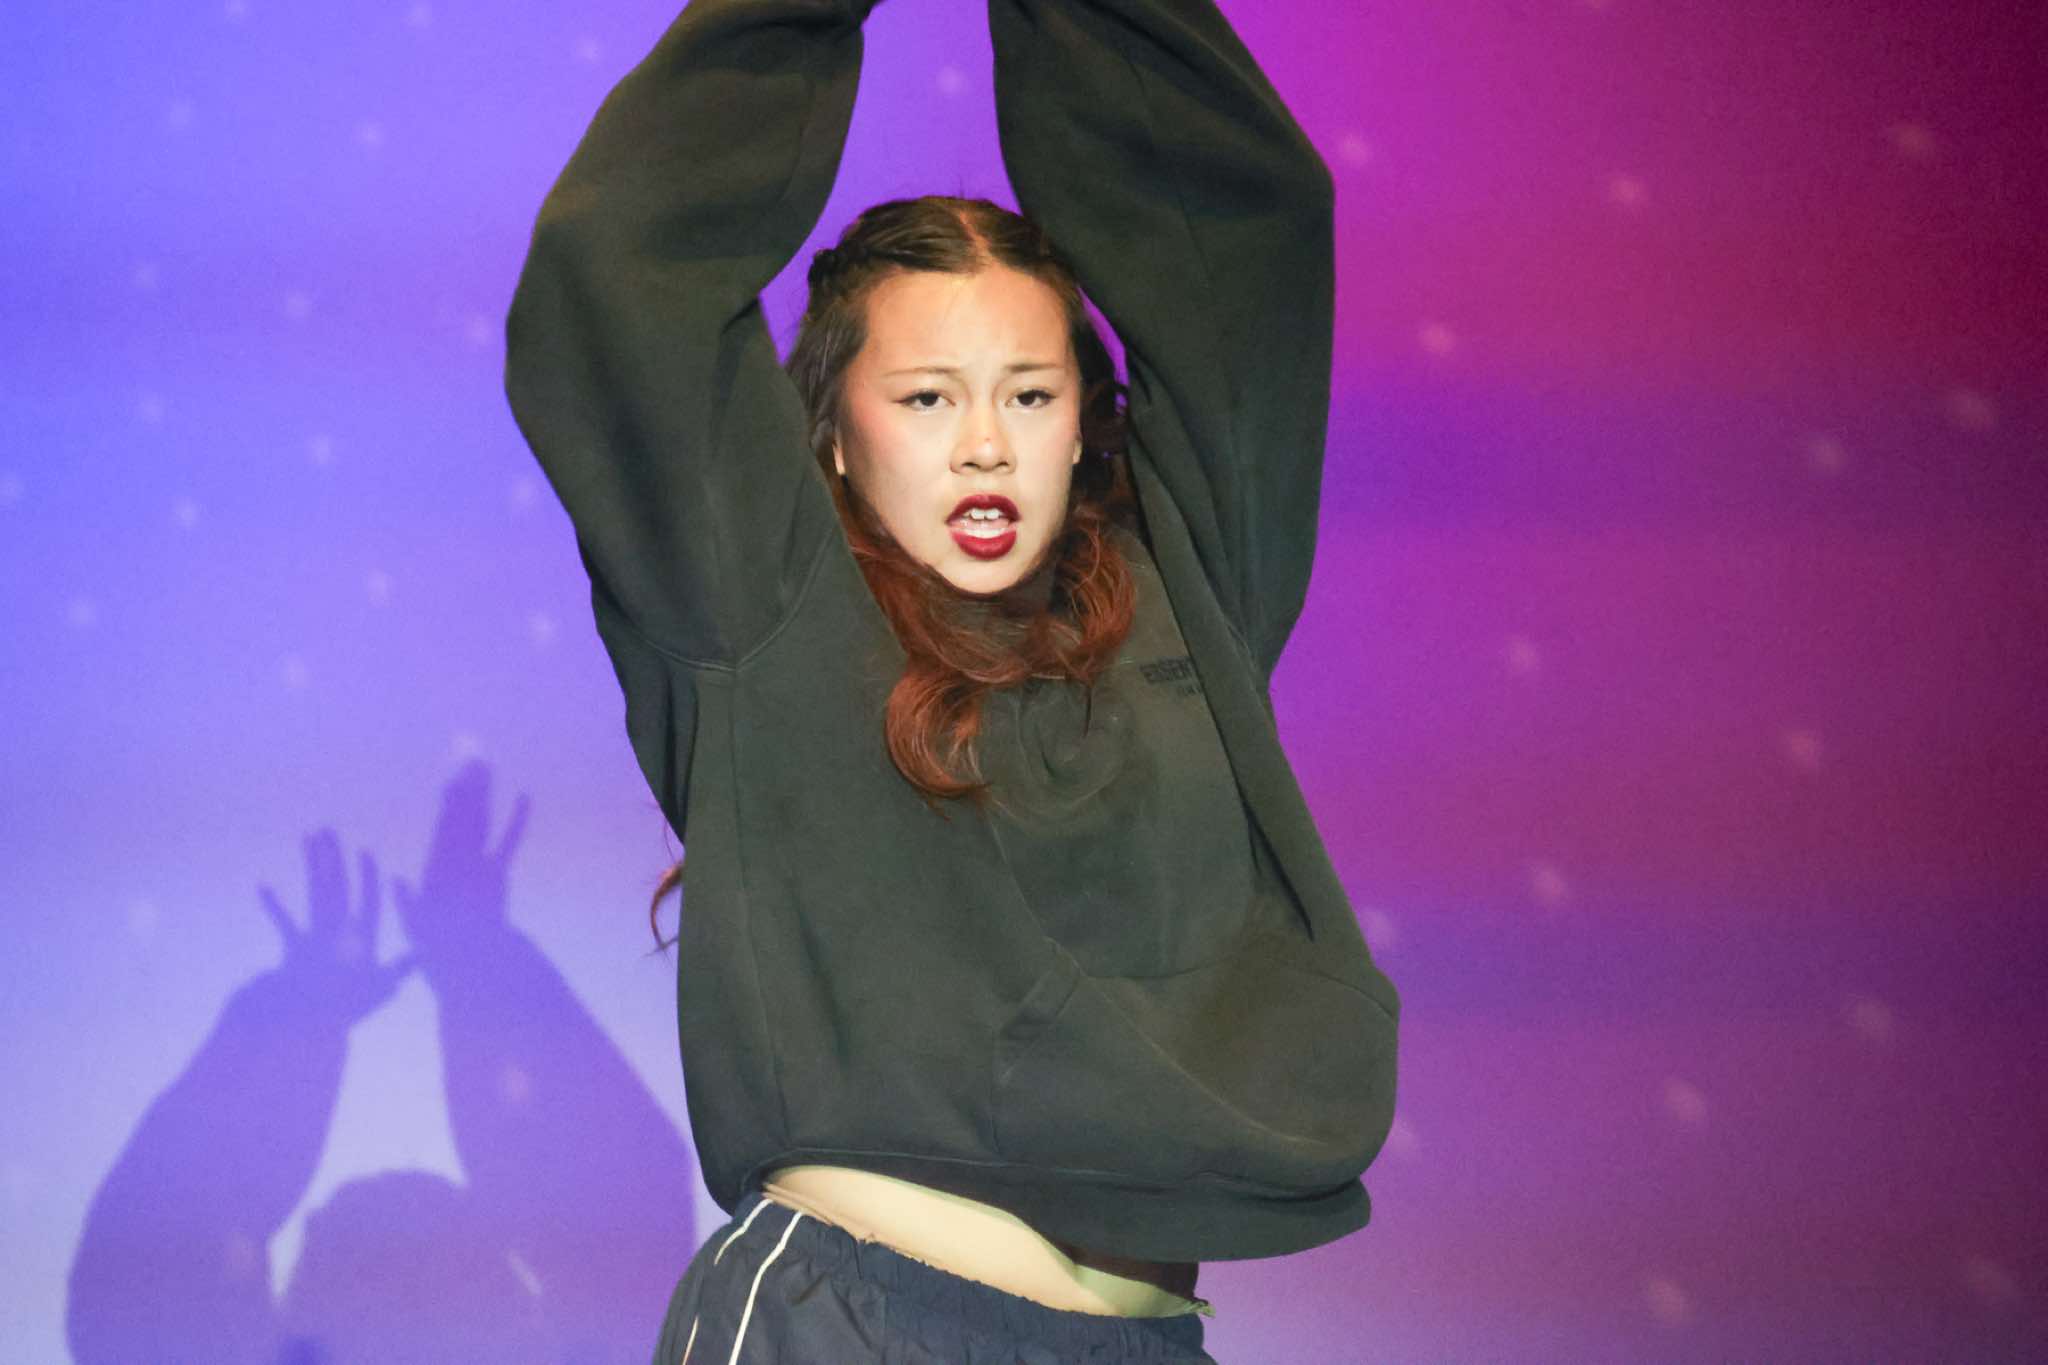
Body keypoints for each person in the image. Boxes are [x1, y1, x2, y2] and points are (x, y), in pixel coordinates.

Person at [503, 0, 1401, 1359]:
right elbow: (620, 273)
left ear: (1083, 422)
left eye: (1029, 395)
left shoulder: (1187, 600)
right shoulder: (763, 601)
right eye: (928, 398)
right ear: (834, 433)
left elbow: (1240, 237)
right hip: (853, 1322)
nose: (986, 443)